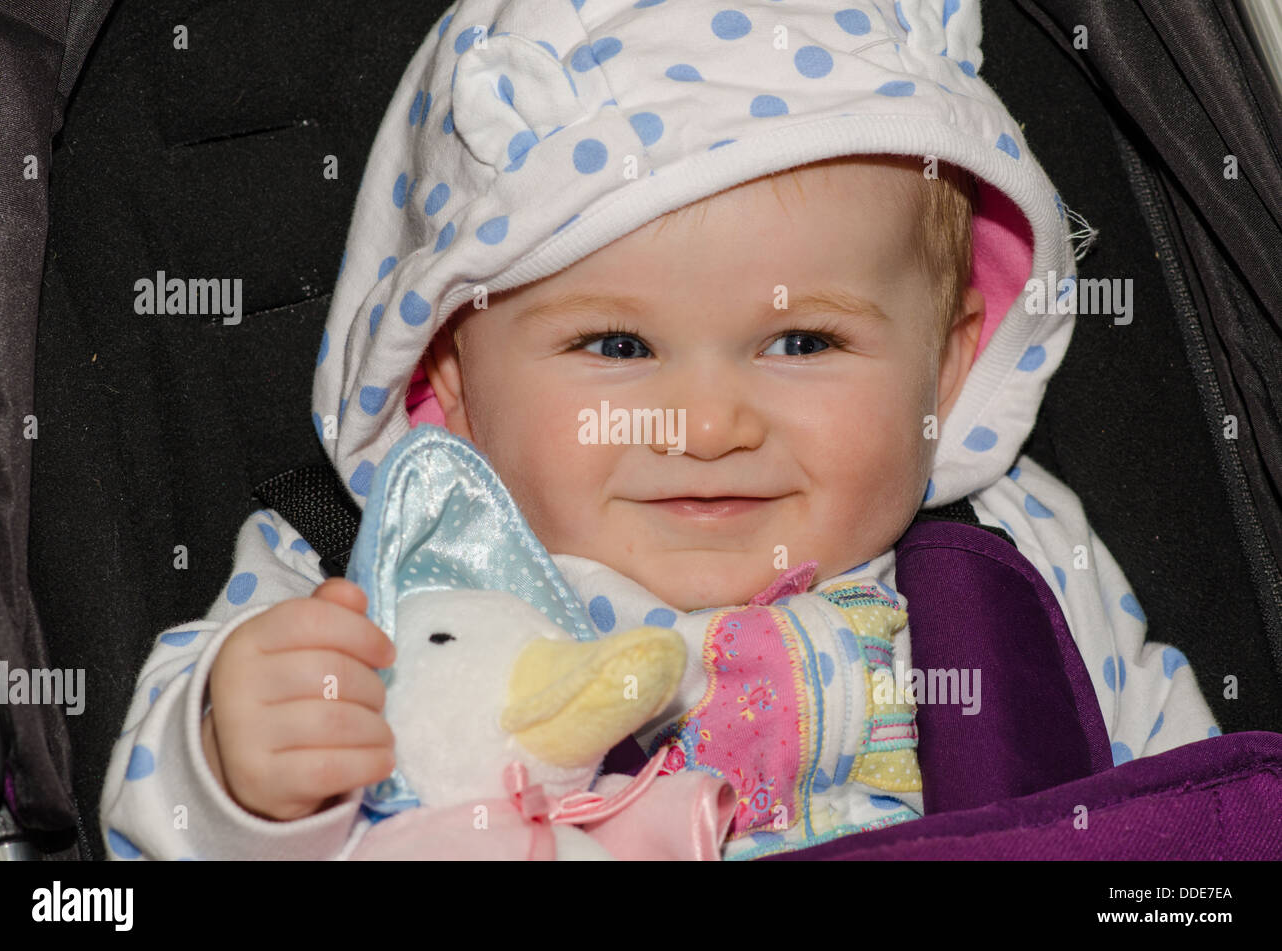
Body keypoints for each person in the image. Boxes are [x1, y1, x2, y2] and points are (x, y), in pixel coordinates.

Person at [100, 0, 1218, 861]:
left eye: (803, 345)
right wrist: (238, 777)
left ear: (950, 359)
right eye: (618, 348)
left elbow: (1190, 813)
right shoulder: (362, 573)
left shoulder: (1016, 553)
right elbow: (144, 844)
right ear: (453, 369)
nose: (710, 423)